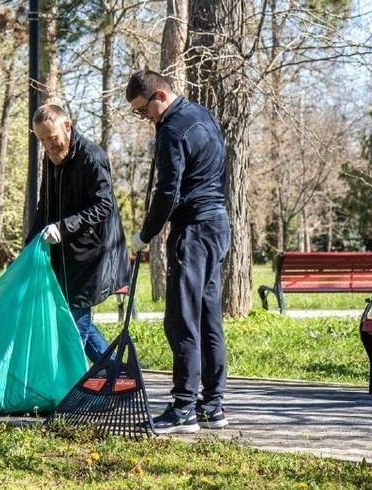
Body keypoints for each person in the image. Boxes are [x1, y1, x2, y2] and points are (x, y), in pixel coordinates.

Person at [125, 70, 232, 434]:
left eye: (143, 110)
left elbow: (167, 193)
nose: (144, 118)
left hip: (195, 229)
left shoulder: (172, 131)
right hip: (218, 224)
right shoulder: (203, 115)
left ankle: (184, 407)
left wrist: (145, 235)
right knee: (207, 317)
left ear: (160, 95)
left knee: (181, 318)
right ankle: (213, 406)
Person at [25, 104, 129, 364]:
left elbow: (103, 205)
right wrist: (28, 247)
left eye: (52, 138)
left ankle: (66, 391)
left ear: (68, 127)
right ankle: (117, 375)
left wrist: (63, 227)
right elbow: (44, 206)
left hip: (92, 254)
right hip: (66, 254)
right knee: (73, 319)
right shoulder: (51, 158)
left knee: (72, 325)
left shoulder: (92, 157)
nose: (48, 146)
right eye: (42, 140)